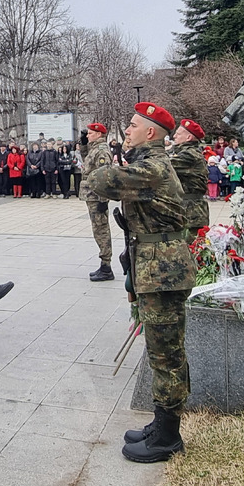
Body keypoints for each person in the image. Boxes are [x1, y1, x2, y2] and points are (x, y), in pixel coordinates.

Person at [88, 103, 196, 463]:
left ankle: (168, 437)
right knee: (160, 350)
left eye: (133, 126)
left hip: (163, 272)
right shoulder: (146, 163)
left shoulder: (152, 167)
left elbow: (101, 181)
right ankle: (161, 422)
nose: (127, 131)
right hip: (156, 269)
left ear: (151, 133)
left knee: (166, 354)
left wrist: (101, 153)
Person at [79, 123, 115, 281]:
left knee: (101, 231)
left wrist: (103, 199)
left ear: (99, 134)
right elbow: (87, 163)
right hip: (91, 195)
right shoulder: (94, 148)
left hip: (97, 196)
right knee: (98, 230)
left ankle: (106, 267)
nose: (87, 135)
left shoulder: (101, 150)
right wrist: (83, 145)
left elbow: (104, 175)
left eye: (90, 133)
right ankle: (104, 265)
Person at [169, 119, 210, 233]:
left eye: (178, 133)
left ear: (188, 138)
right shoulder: (187, 152)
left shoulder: (189, 155)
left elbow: (163, 166)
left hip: (191, 213)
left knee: (191, 248)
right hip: (189, 210)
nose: (174, 136)